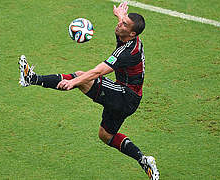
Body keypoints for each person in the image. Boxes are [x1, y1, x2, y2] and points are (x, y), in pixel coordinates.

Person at [18, 2, 159, 179]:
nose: (119, 24)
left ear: (132, 34)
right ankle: (144, 160)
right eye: (121, 21)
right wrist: (120, 15)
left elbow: (98, 71)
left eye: (124, 24)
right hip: (128, 97)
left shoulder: (127, 52)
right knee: (106, 135)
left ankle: (31, 79)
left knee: (82, 77)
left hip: (124, 96)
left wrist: (74, 82)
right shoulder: (129, 37)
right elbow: (124, 24)